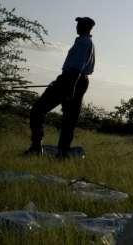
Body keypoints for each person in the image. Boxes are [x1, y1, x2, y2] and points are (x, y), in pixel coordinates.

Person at [24, 16, 96, 158]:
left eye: (80, 24)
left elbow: (76, 68)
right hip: (78, 81)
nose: (77, 26)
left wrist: (69, 87)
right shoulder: (87, 42)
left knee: (38, 110)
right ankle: (62, 153)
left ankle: (36, 148)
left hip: (71, 79)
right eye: (78, 24)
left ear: (87, 27)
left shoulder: (83, 42)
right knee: (69, 119)